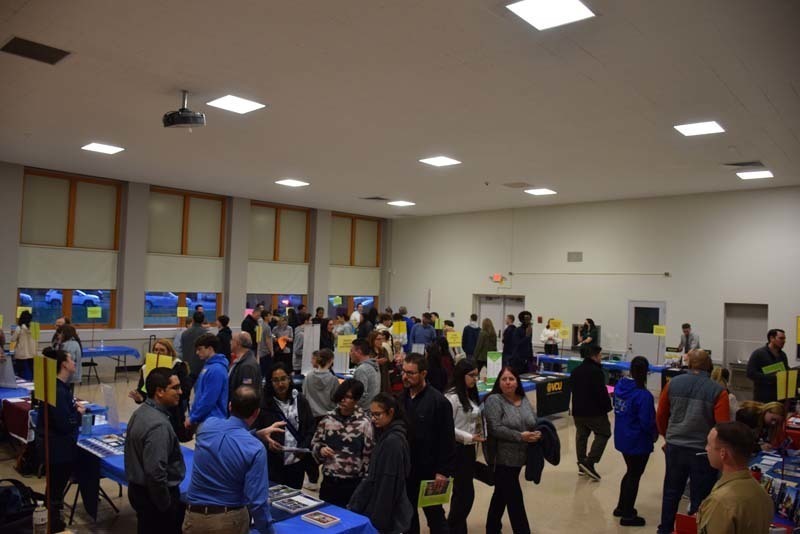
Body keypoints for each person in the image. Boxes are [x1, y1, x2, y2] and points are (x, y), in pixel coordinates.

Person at [656, 349, 729, 534]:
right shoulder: (718, 391)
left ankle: (664, 529)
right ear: (709, 366)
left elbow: (661, 415)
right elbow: (723, 426)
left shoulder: (672, 384)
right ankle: (697, 529)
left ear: (689, 364)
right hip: (703, 452)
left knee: (671, 492)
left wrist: (668, 437)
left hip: (675, 446)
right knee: (701, 497)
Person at [184, 386, 274, 534]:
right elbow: (257, 503)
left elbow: (227, 439)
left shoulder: (206, 427)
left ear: (230, 405)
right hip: (228, 521)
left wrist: (254, 435)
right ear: (256, 413)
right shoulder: (255, 449)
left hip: (193, 519)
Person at [125, 367, 185, 534]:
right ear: (159, 391)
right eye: (175, 388)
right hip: (154, 499)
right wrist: (166, 505)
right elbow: (155, 473)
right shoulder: (159, 426)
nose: (180, 392)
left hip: (139, 493)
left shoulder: (140, 413)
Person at [400, 352, 455, 534]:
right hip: (407, 470)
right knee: (408, 516)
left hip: (431, 473)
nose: (405, 376)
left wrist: (442, 471)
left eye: (411, 373)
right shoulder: (400, 398)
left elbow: (447, 440)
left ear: (423, 374)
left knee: (435, 517)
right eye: (404, 372)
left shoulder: (439, 402)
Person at [483, 366, 540, 534]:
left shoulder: (523, 399)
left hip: (520, 458)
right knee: (515, 499)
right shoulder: (495, 400)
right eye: (504, 379)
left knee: (501, 495)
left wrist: (537, 432)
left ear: (517, 381)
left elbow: (533, 419)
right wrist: (520, 436)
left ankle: (492, 528)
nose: (508, 382)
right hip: (502, 459)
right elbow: (495, 428)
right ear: (499, 382)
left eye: (511, 379)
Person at [349, 392, 413, 534]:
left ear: (391, 412)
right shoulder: (388, 435)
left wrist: (378, 521)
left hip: (381, 514)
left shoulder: (393, 442)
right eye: (371, 414)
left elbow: (388, 485)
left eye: (377, 414)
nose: (373, 419)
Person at [36, 348, 84, 532]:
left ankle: (53, 517)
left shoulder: (60, 387)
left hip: (58, 447)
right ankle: (54, 522)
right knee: (55, 488)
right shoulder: (56, 390)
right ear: (63, 364)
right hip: (58, 449)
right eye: (71, 360)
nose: (74, 362)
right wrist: (77, 414)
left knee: (55, 486)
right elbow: (64, 423)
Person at [696, 422, 773, 534]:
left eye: (709, 444)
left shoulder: (721, 502)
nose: (706, 448)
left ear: (723, 453)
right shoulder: (762, 493)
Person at [311, 379, 375, 507]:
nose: (343, 400)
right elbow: (314, 444)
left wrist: (366, 485)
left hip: (353, 484)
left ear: (356, 400)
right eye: (341, 396)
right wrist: (320, 450)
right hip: (329, 481)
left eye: (348, 397)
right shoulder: (327, 420)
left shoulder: (365, 423)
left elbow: (369, 455)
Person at [613, 356, 657, 527]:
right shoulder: (643, 395)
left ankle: (621, 506)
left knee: (630, 472)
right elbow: (647, 422)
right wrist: (654, 434)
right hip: (638, 440)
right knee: (634, 475)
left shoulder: (620, 387)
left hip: (623, 436)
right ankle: (628, 515)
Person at [255, 363, 315, 489]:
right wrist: (268, 444)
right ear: (270, 382)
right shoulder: (263, 404)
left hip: (296, 461)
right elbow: (256, 432)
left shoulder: (300, 400)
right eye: (276, 380)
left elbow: (310, 427)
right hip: (272, 462)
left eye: (283, 379)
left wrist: (303, 447)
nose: (280, 384)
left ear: (289, 378)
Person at [444, 360, 484, 534]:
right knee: (465, 494)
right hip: (457, 448)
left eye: (476, 375)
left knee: (463, 493)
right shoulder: (451, 397)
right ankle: (451, 526)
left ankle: (456, 527)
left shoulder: (471, 394)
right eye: (472, 375)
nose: (475, 379)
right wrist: (468, 436)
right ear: (461, 375)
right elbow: (446, 426)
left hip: (470, 449)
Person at [128, 338, 192, 441]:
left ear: (169, 352)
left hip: (173, 411)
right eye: (156, 350)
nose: (158, 353)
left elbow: (185, 390)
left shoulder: (178, 366)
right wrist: (139, 398)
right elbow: (143, 390)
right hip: (152, 410)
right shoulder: (146, 367)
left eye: (162, 350)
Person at [571, 344, 612, 481]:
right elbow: (601, 392)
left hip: (578, 411)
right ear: (594, 356)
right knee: (604, 432)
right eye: (600, 355)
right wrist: (608, 407)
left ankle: (581, 464)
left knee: (581, 436)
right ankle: (589, 462)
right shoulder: (597, 372)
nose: (601, 358)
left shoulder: (576, 371)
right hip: (594, 412)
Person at [186, 334, 229, 429]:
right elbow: (200, 394)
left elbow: (209, 399)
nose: (197, 352)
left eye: (200, 349)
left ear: (210, 349)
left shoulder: (216, 370)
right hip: (205, 419)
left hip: (213, 422)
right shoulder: (208, 366)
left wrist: (193, 417)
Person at [746, 328, 788, 402]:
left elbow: (786, 370)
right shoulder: (758, 354)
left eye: (784, 339)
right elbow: (750, 373)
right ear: (772, 338)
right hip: (763, 398)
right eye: (781, 338)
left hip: (780, 398)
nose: (784, 341)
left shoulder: (783, 355)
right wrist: (771, 377)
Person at [303, 348, 339, 418]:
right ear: (331, 360)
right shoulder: (333, 379)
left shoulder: (308, 377)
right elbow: (336, 399)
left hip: (311, 415)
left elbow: (304, 395)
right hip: (328, 416)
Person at [228, 332, 262, 400]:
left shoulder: (247, 366)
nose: (230, 342)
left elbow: (247, 394)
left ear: (238, 343)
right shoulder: (241, 361)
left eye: (232, 340)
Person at [351, 338, 380, 411]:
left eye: (351, 351)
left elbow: (360, 395)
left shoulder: (361, 370)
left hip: (363, 412)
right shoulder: (375, 366)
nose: (350, 353)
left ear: (358, 352)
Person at [181, 311, 209, 380]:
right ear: (203, 320)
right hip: (201, 366)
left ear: (193, 320)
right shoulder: (206, 334)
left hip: (187, 365)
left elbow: (182, 349)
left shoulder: (184, 333)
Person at [11, 309, 35, 380]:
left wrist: (13, 333)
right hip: (32, 354)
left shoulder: (19, 328)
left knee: (22, 375)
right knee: (30, 373)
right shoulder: (34, 328)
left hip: (21, 355)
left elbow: (13, 339)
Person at [509, 311, 533, 375]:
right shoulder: (517, 330)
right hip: (517, 359)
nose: (529, 321)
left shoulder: (529, 329)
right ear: (522, 320)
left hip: (526, 359)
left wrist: (531, 357)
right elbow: (517, 344)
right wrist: (527, 336)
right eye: (527, 319)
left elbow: (529, 344)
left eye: (530, 319)